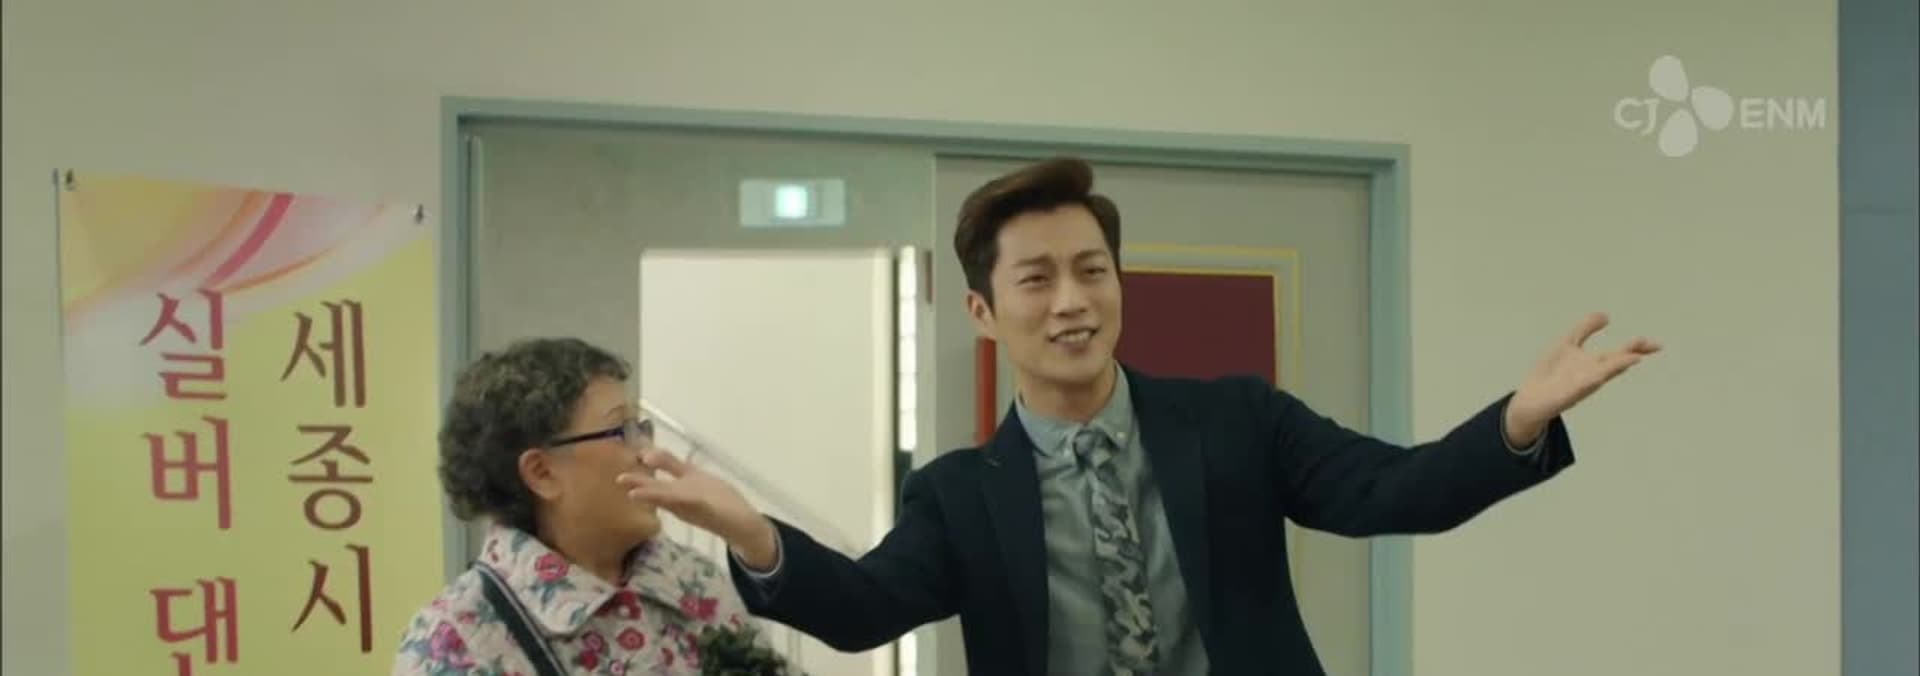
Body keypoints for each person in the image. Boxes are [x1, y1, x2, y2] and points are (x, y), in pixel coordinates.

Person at [619, 158, 1661, 676]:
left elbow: (1394, 492)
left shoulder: (1238, 419)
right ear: (983, 312)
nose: (1072, 301)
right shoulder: (960, 495)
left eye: (1093, 270)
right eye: (1037, 279)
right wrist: (749, 530)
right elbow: (860, 611)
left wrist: (1517, 419)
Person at [392, 338, 768, 676]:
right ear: (542, 473)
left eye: (641, 428)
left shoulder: (692, 579)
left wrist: (755, 537)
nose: (649, 454)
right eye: (622, 431)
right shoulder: (456, 640)